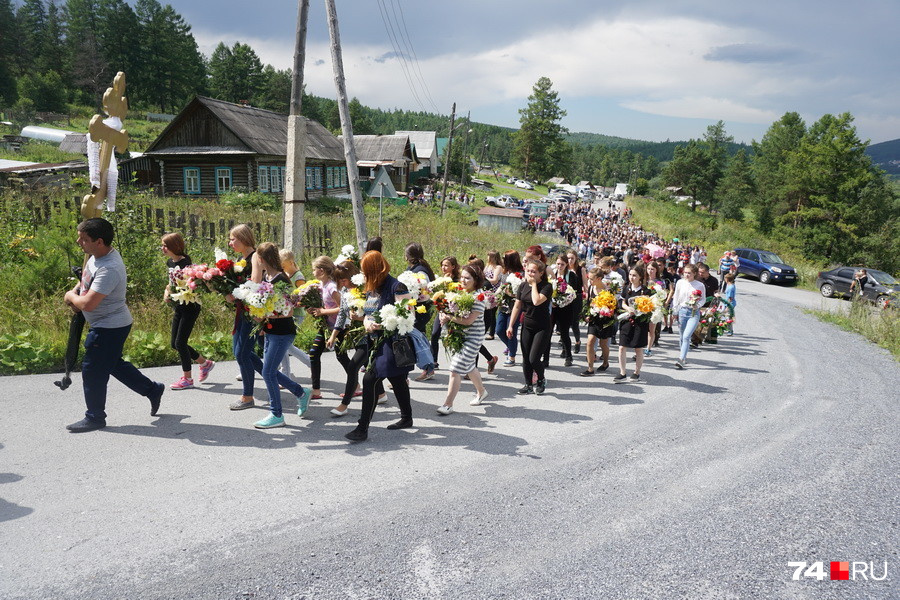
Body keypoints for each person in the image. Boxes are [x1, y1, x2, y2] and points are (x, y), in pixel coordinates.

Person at [63, 218, 164, 432]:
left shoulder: (110, 268)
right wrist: (77, 291)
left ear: (99, 241)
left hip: (109, 327)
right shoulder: (96, 255)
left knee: (92, 371)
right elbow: (85, 280)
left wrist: (70, 297)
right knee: (113, 364)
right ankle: (153, 390)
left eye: (83, 239)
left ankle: (95, 417)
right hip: (109, 324)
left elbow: (88, 304)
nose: (78, 241)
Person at [345, 251, 415, 442]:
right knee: (398, 379)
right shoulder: (372, 288)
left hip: (392, 343)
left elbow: (408, 314)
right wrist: (365, 321)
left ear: (374, 269)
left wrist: (382, 324)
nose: (363, 273)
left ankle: (362, 428)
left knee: (370, 380)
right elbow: (369, 313)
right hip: (376, 341)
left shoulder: (397, 286)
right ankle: (407, 418)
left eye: (365, 270)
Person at [249, 242, 312, 428]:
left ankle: (277, 415)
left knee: (268, 372)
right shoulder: (269, 277)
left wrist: (263, 315)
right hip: (271, 331)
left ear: (260, 259)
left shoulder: (281, 280)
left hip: (282, 333)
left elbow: (289, 311)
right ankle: (301, 392)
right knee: (270, 371)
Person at [161, 232, 214, 390]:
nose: (162, 248)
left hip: (190, 306)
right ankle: (204, 363)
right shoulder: (170, 262)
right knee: (174, 344)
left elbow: (193, 284)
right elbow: (170, 283)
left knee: (180, 342)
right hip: (179, 305)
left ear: (173, 246)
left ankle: (187, 379)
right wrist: (167, 292)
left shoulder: (186, 263)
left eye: (165, 245)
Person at [436, 265, 489, 415]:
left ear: (476, 280)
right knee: (469, 366)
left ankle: (448, 404)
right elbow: (448, 308)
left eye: (468, 278)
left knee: (455, 368)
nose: (463, 280)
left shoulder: (479, 297)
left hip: (474, 337)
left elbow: (468, 321)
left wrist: (448, 317)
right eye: (462, 277)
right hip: (460, 335)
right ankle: (482, 392)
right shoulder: (460, 292)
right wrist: (443, 314)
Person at [507, 258, 553, 395]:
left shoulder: (547, 286)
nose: (530, 274)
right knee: (526, 358)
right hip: (527, 325)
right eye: (528, 271)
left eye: (533, 271)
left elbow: (536, 301)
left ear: (541, 273)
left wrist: (533, 285)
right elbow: (517, 306)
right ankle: (527, 384)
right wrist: (510, 325)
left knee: (534, 358)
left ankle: (541, 379)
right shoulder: (522, 286)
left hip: (542, 326)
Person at [326, 262, 363, 416]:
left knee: (354, 367)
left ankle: (344, 404)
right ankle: (381, 394)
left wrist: (361, 318)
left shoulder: (364, 290)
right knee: (371, 371)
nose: (342, 283)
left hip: (370, 335)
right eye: (339, 281)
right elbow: (342, 314)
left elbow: (376, 313)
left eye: (344, 280)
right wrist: (333, 335)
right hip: (356, 334)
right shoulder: (346, 292)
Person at [306, 256, 341, 400]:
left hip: (338, 328)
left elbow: (342, 309)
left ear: (321, 270)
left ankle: (356, 386)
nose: (312, 271)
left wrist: (323, 312)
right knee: (314, 353)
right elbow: (323, 306)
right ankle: (316, 390)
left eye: (314, 269)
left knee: (342, 357)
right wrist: (313, 309)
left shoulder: (332, 287)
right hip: (326, 326)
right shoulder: (321, 285)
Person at [405, 242, 438, 382]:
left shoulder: (420, 271)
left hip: (420, 309)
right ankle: (428, 367)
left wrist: (410, 296)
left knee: (415, 340)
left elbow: (424, 293)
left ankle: (427, 368)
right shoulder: (415, 268)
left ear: (409, 255)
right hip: (415, 308)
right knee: (419, 338)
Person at [278, 248, 311, 378]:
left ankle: (310, 363)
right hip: (286, 313)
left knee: (286, 344)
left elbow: (304, 296)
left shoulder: (298, 277)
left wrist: (294, 301)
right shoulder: (286, 274)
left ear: (291, 262)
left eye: (284, 265)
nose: (282, 268)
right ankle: (285, 371)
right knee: (284, 344)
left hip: (296, 314)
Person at [614, 265, 649, 383]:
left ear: (640, 277)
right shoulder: (626, 288)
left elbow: (648, 306)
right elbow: (622, 302)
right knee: (622, 347)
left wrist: (639, 310)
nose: (632, 277)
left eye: (634, 275)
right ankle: (622, 372)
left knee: (638, 349)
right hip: (626, 320)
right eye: (630, 275)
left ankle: (636, 372)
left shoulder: (645, 290)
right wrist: (627, 308)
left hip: (640, 323)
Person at [580, 265, 614, 376]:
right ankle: (590, 368)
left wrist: (605, 310)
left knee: (603, 344)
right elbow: (587, 303)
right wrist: (586, 314)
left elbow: (613, 306)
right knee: (590, 341)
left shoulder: (608, 290)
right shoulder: (591, 288)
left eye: (591, 279)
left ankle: (605, 362)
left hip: (605, 320)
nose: (589, 281)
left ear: (599, 279)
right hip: (594, 319)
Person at [671, 264, 707, 369]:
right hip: (682, 311)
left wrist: (698, 305)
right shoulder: (680, 282)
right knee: (682, 336)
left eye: (689, 273)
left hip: (693, 313)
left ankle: (681, 359)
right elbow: (676, 297)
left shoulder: (700, 285)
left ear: (694, 274)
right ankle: (683, 356)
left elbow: (703, 299)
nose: (686, 275)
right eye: (685, 272)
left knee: (687, 336)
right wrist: (674, 312)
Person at [430, 256, 460, 368]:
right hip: (442, 311)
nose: (443, 267)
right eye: (442, 265)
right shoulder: (440, 281)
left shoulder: (457, 281)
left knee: (458, 336)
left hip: (454, 313)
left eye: (446, 265)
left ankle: (489, 358)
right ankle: (434, 361)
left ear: (453, 266)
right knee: (434, 334)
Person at [495, 250, 524, 367]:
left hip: (515, 306)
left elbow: (523, 289)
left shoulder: (521, 273)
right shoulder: (504, 272)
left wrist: (513, 294)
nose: (502, 260)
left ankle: (512, 356)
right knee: (499, 330)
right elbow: (500, 286)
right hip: (503, 305)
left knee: (511, 331)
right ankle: (511, 346)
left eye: (504, 258)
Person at [565, 249, 587, 355]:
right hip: (565, 298)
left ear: (576, 259)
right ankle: (565, 345)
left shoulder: (580, 270)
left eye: (572, 258)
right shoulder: (564, 269)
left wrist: (587, 298)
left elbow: (585, 285)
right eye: (568, 258)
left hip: (577, 298)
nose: (570, 260)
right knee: (564, 322)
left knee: (574, 323)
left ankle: (577, 341)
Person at [483, 251, 503, 340]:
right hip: (486, 291)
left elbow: (495, 280)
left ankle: (491, 333)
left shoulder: (498, 267)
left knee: (492, 312)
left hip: (494, 291)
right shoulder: (487, 266)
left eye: (489, 256)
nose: (488, 258)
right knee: (487, 312)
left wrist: (485, 279)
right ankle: (487, 330)